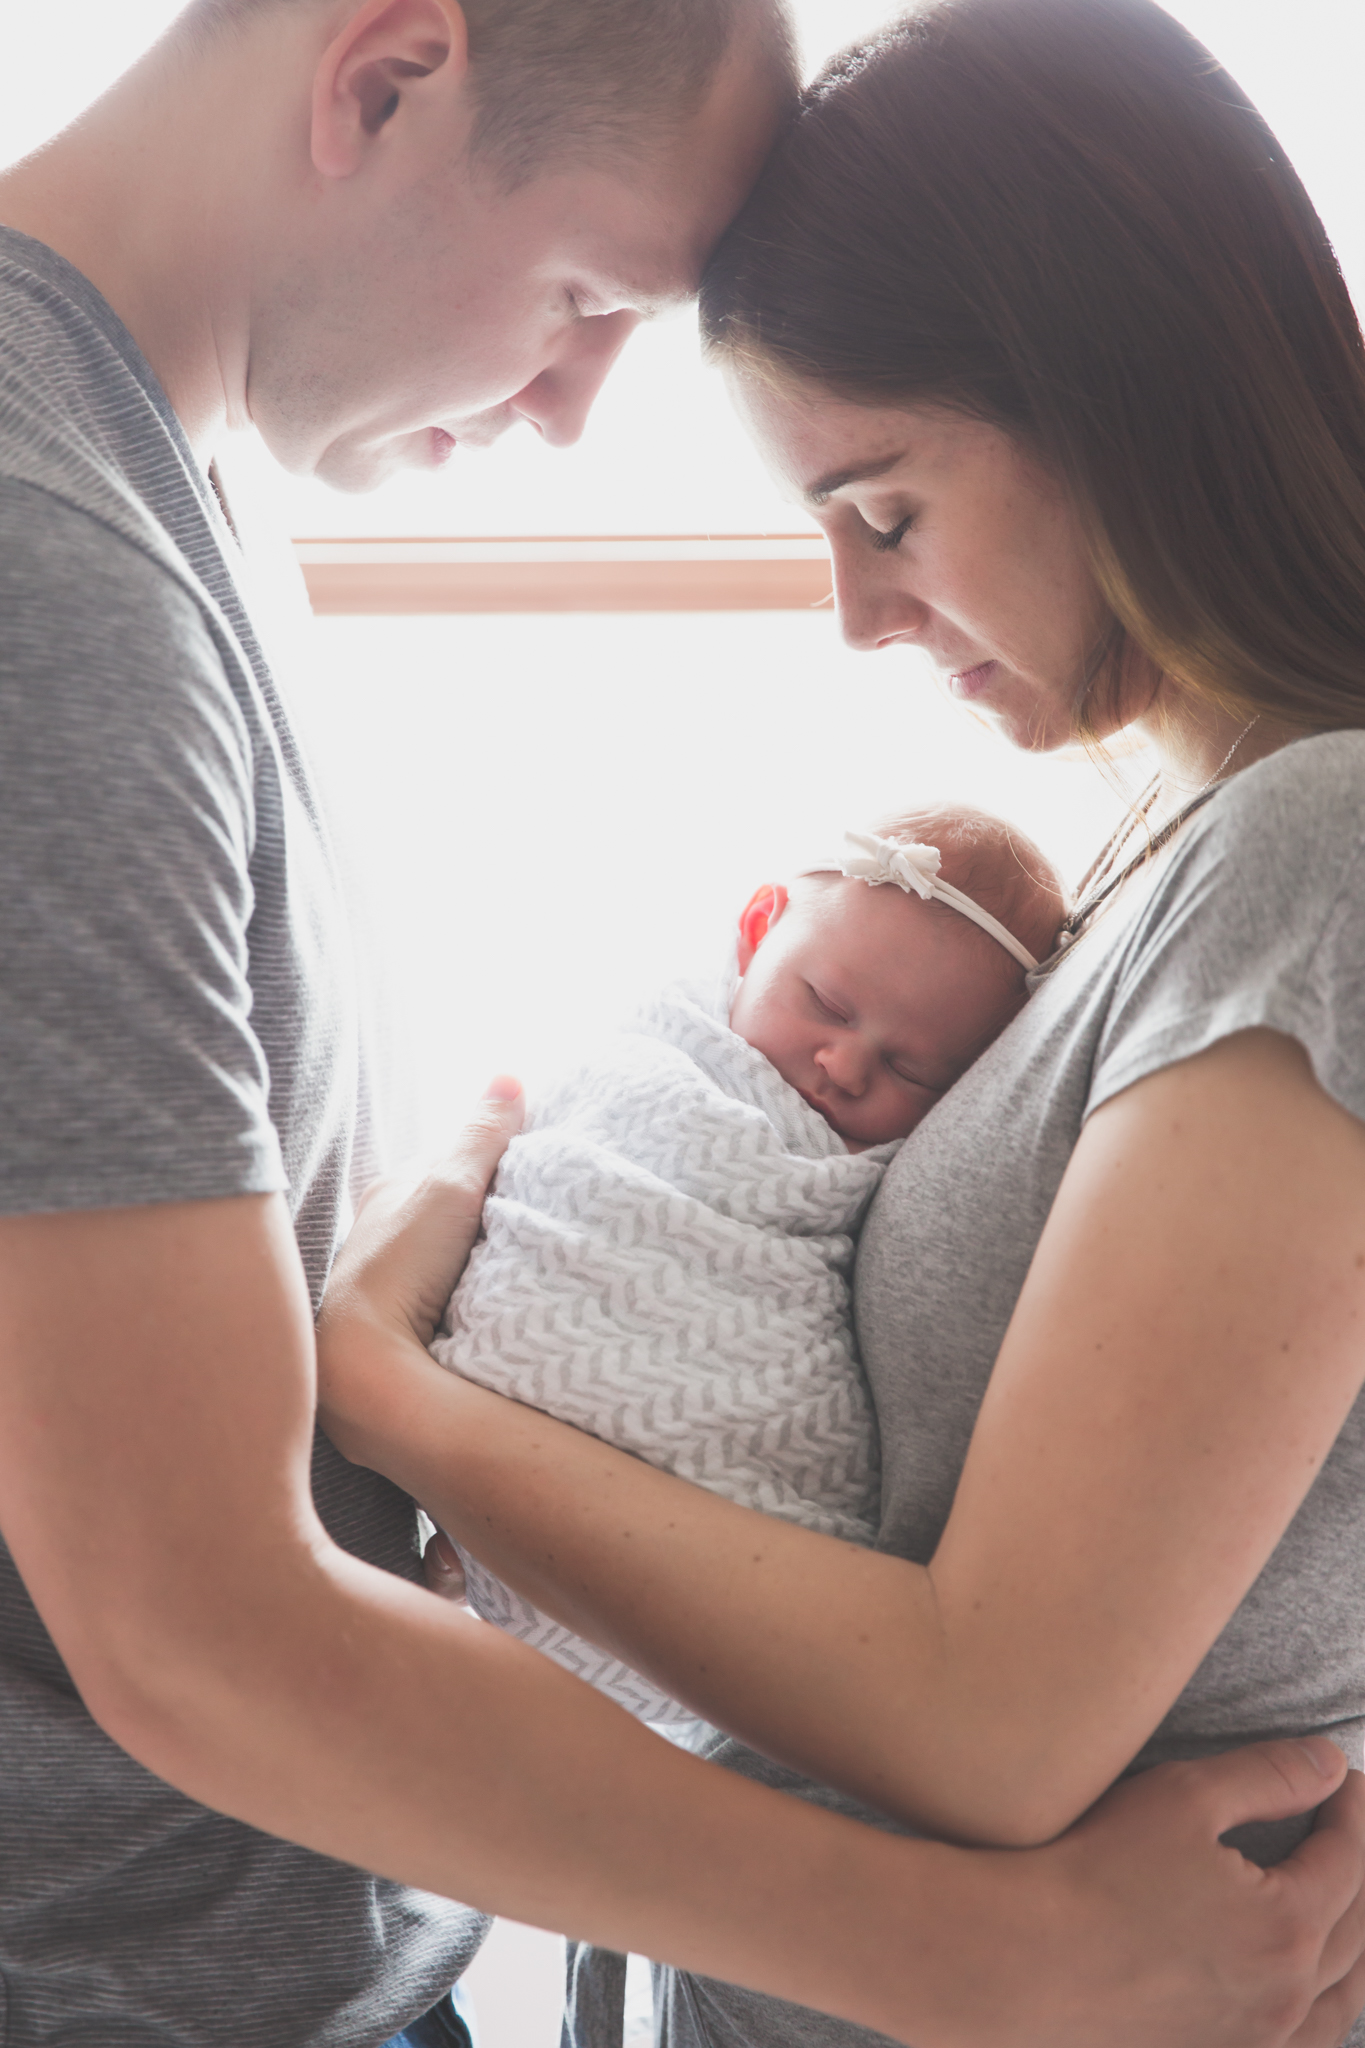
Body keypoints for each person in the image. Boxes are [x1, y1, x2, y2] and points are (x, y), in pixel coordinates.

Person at [0, 0, 1361, 2041]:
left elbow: (1033, 1668)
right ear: (379, 76)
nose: (567, 409)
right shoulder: (75, 558)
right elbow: (186, 1616)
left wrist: (396, 1388)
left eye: (882, 511)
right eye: (581, 299)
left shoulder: (175, 509)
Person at [435, 806, 1064, 1726]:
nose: (843, 1065)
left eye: (913, 1069)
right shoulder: (659, 1047)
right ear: (760, 924)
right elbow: (550, 1168)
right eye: (828, 1005)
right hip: (488, 1433)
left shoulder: (877, 1166)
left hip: (711, 1551)